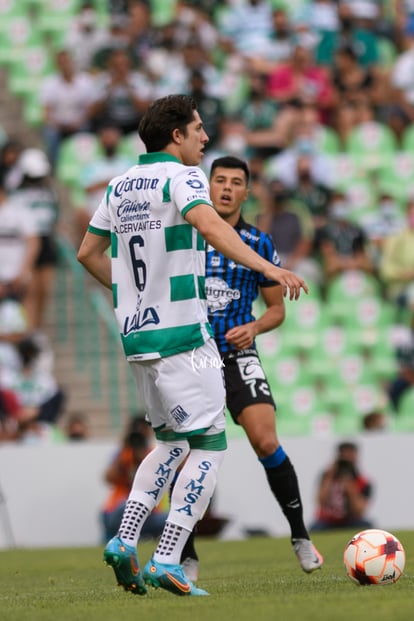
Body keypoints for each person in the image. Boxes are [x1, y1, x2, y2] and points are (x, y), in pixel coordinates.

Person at [77, 94, 308, 598]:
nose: (205, 138)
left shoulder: (119, 185)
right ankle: (167, 557)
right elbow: (209, 224)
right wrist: (268, 267)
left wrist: (131, 297)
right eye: (199, 129)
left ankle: (124, 538)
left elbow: (87, 252)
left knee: (171, 443)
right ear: (176, 135)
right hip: (184, 333)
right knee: (210, 444)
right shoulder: (183, 177)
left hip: (138, 335)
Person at [177, 156, 323, 582]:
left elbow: (277, 310)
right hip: (192, 355)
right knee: (183, 451)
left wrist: (254, 326)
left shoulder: (259, 244)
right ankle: (185, 554)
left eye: (234, 182)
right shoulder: (187, 236)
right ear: (208, 187)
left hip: (238, 354)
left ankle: (299, 536)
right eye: (218, 180)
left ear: (246, 192)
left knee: (265, 439)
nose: (225, 188)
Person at [101, 416, 168, 543]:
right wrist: (124, 455)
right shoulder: (123, 453)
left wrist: (142, 459)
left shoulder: (153, 454)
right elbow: (108, 478)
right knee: (123, 508)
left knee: (169, 520)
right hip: (120, 509)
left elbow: (157, 481)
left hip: (149, 513)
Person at [310, 442, 374, 531]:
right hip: (327, 521)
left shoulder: (363, 481)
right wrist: (330, 477)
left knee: (366, 526)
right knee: (314, 529)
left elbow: (359, 510)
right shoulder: (327, 476)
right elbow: (320, 501)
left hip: (352, 520)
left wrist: (350, 489)